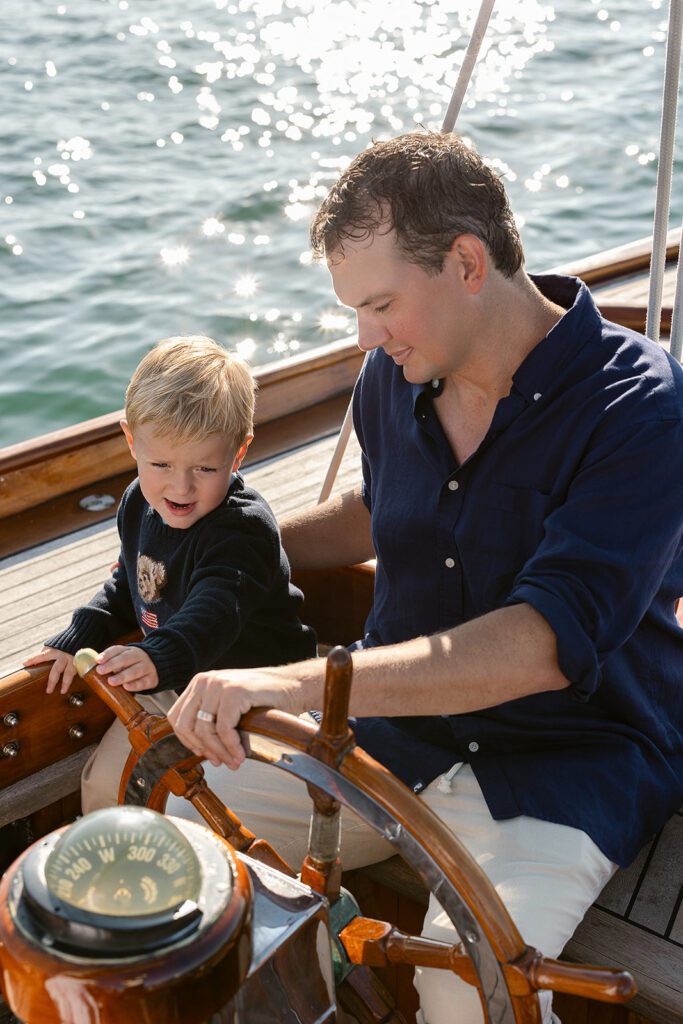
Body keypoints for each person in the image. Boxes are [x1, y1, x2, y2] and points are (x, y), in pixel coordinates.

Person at [168, 132, 683, 1024]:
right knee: (174, 851)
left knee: (464, 998)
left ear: (467, 261)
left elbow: (541, 643)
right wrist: (226, 552)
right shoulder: (391, 373)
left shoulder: (642, 410)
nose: (364, 337)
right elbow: (384, 512)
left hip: (565, 761)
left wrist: (292, 681)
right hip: (395, 738)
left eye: (379, 305)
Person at [24, 335, 316, 811]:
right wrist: (84, 630)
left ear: (238, 454)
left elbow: (215, 612)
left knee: (199, 806)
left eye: (205, 467)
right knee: (105, 787)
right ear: (131, 441)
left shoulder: (241, 531)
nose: (180, 487)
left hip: (255, 695)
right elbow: (132, 581)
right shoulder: (140, 501)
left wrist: (160, 655)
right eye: (160, 463)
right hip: (175, 678)